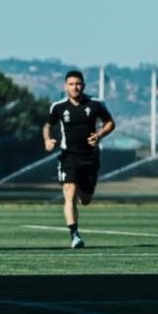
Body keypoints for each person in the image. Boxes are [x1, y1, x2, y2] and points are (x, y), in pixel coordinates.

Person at [43, 70, 115, 248]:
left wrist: (99, 135)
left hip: (90, 158)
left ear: (83, 85)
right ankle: (74, 234)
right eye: (71, 84)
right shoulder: (58, 107)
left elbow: (110, 123)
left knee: (85, 199)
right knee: (70, 192)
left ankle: (82, 201)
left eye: (78, 84)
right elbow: (47, 125)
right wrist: (47, 139)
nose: (75, 87)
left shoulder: (96, 104)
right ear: (65, 86)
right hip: (69, 156)